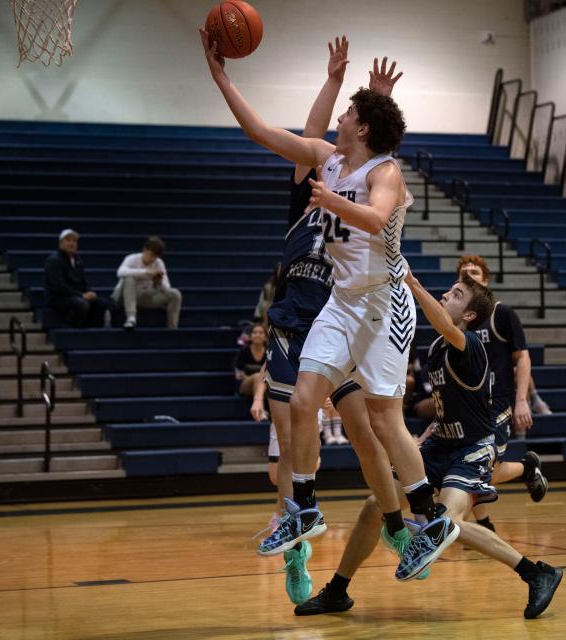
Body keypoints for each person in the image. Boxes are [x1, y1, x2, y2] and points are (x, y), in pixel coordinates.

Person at [201, 32, 456, 580]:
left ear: (361, 127)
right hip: (341, 301)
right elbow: (260, 132)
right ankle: (305, 509)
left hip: (383, 304)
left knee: (385, 421)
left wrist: (334, 198)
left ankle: (428, 518)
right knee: (302, 403)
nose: (337, 117)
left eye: (348, 112)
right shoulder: (329, 159)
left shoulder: (383, 173)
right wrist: (222, 77)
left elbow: (377, 217)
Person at [236, 38, 417, 603]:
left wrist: (374, 102)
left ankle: (395, 525)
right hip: (298, 322)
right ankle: (298, 551)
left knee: (367, 434)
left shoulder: (359, 181)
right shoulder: (310, 183)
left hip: (347, 317)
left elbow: (374, 168)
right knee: (292, 444)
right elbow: (309, 139)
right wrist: (337, 84)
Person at [294, 270, 563, 618]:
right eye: (448, 291)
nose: (446, 296)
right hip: (440, 444)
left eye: (456, 295)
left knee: (446, 522)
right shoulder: (436, 349)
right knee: (376, 504)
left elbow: (448, 330)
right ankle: (337, 591)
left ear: (468, 316)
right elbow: (448, 404)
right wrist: (423, 435)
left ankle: (536, 573)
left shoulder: (470, 344)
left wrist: (412, 283)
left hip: (471, 449)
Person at [455, 255, 549, 532]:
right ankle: (485, 525)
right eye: (464, 273)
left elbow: (523, 359)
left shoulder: (502, 313)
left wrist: (522, 400)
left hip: (497, 404)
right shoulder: (458, 320)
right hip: (467, 406)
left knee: (478, 469)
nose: (469, 275)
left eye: (475, 271)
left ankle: (526, 467)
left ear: (486, 280)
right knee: (464, 469)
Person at [44, 228, 120, 328]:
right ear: (60, 243)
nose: (72, 243)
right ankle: (68, 330)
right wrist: (81, 295)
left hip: (75, 295)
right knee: (81, 304)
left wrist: (89, 292)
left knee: (102, 303)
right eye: (68, 240)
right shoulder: (54, 260)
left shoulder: (78, 260)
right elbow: (58, 286)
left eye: (74, 241)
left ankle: (91, 330)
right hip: (57, 297)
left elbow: (83, 281)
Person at [112, 236, 182, 330]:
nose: (153, 259)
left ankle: (172, 327)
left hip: (145, 296)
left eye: (156, 256)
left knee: (175, 294)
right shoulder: (132, 258)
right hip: (124, 295)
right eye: (151, 255)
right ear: (145, 249)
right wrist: (145, 271)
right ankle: (131, 318)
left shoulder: (159, 263)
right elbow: (120, 272)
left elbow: (167, 287)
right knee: (129, 278)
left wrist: (159, 282)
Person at [234, 323, 267, 397]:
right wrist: (255, 380)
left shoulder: (269, 352)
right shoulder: (244, 351)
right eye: (254, 333)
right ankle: (259, 406)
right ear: (250, 337)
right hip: (246, 383)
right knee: (258, 377)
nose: (257, 335)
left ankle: (258, 406)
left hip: (265, 384)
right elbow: (238, 371)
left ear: (265, 337)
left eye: (261, 333)